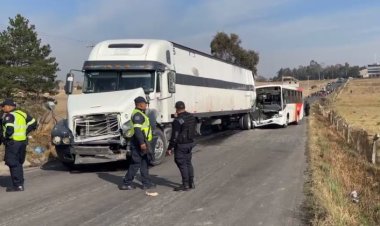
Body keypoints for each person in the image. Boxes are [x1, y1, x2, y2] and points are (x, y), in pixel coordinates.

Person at [120, 96, 156, 190]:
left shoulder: (140, 113)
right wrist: (141, 143)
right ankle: (126, 183)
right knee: (136, 163)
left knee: (144, 162)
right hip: (138, 143)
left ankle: (146, 183)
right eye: (145, 103)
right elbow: (137, 130)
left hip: (143, 141)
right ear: (140, 104)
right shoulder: (137, 115)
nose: (146, 105)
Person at [1, 99, 37, 192]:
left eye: (3, 106)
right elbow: (33, 122)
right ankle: (19, 183)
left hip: (13, 143)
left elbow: (9, 130)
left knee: (13, 163)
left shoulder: (9, 116)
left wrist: (5, 138)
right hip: (22, 142)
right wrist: (25, 131)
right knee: (18, 163)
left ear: (9, 106)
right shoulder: (21, 113)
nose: (2, 108)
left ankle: (18, 185)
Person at [167, 101, 197, 191]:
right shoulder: (191, 117)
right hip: (190, 143)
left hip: (181, 144)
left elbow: (174, 136)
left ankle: (185, 185)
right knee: (188, 162)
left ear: (176, 109)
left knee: (181, 163)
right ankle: (191, 183)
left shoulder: (177, 121)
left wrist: (170, 147)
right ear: (184, 107)